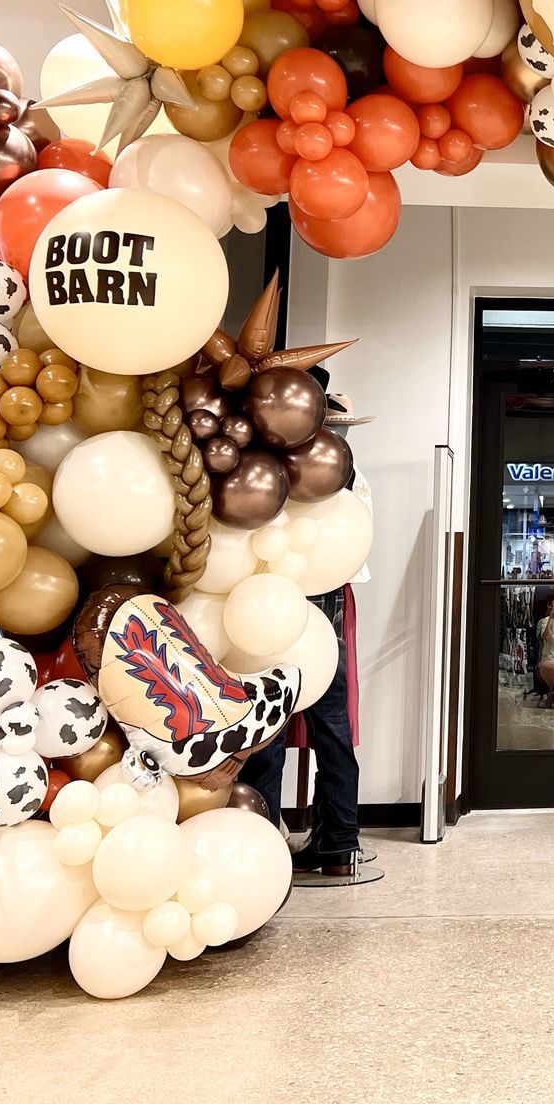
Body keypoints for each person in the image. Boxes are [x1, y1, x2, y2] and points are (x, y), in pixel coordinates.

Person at [237, 371, 363, 876]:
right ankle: (338, 842)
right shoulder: (345, 472)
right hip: (320, 615)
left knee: (269, 730)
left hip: (268, 608)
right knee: (330, 730)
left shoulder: (261, 465)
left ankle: (266, 845)